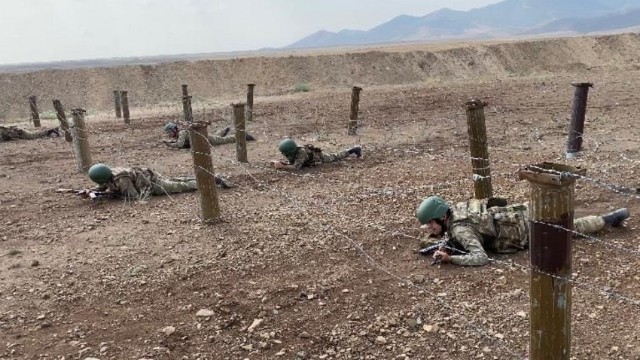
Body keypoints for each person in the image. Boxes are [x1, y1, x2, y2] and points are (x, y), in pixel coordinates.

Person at [415, 195, 630, 266]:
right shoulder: (459, 208)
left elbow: (480, 257)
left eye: (431, 223)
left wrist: (450, 260)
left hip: (528, 232)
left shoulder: (460, 229)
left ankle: (609, 219)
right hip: (522, 212)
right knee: (562, 218)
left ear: (442, 217)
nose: (430, 228)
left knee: (572, 228)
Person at [87, 163, 234, 200]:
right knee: (176, 180)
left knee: (180, 186)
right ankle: (210, 178)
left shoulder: (120, 179)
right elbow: (102, 185)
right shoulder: (109, 172)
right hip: (150, 175)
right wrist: (95, 191)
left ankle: (210, 182)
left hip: (153, 186)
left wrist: (111, 195)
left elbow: (133, 196)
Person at [270, 138, 362, 170]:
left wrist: (282, 166)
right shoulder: (294, 151)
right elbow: (292, 162)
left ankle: (353, 150)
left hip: (318, 156)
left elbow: (296, 167)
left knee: (334, 157)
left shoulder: (301, 153)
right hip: (309, 157)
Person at [163, 122, 255, 149]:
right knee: (216, 137)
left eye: (169, 132)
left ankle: (241, 136)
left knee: (223, 140)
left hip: (206, 139)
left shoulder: (182, 133)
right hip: (204, 137)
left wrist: (170, 144)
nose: (169, 135)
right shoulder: (180, 133)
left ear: (174, 130)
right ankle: (223, 131)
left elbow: (180, 144)